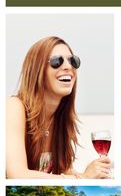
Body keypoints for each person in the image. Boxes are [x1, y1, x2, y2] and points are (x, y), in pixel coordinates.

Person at [6, 36, 111, 179]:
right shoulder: (13, 107)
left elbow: (65, 174)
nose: (68, 66)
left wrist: (94, 174)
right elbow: (16, 175)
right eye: (57, 61)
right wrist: (82, 178)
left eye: (73, 61)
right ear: (37, 70)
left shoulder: (61, 120)